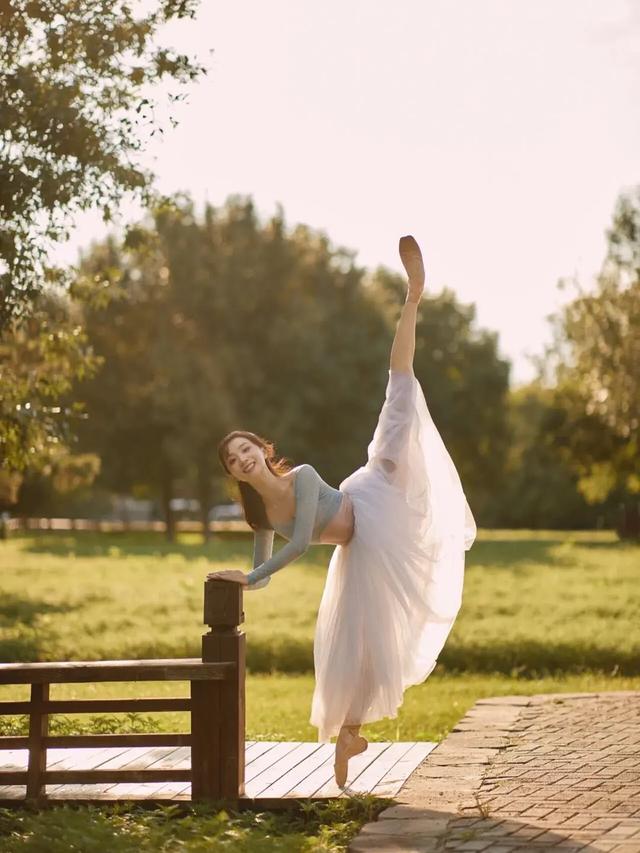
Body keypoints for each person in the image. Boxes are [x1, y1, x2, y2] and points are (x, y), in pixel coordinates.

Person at [209, 236, 476, 787]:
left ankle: (413, 298)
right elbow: (259, 579)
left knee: (398, 395)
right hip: (359, 548)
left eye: (247, 450)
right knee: (353, 645)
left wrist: (252, 572)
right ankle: (351, 734)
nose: (244, 460)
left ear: (263, 450)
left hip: (376, 495)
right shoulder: (260, 518)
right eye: (235, 461)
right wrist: (238, 580)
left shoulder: (302, 477)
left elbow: (302, 544)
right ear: (236, 474)